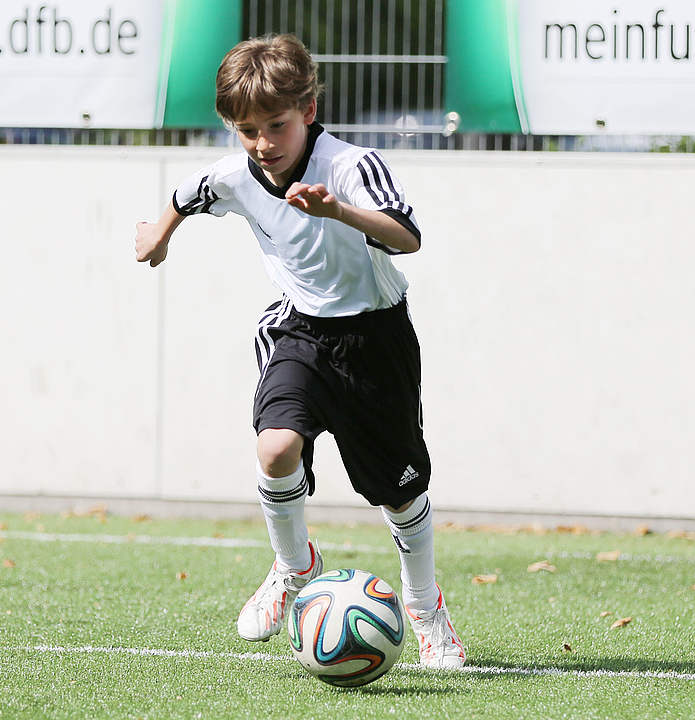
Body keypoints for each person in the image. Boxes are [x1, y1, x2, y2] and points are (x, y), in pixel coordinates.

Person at [133, 34, 465, 670]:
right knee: (276, 448)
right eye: (246, 130)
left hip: (375, 337)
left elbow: (408, 237)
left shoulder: (350, 166)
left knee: (399, 493)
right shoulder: (236, 174)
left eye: (276, 125)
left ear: (309, 111)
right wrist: (160, 233)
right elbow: (191, 192)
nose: (263, 143)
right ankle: (293, 567)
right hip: (300, 331)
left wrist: (340, 212)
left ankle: (425, 608)